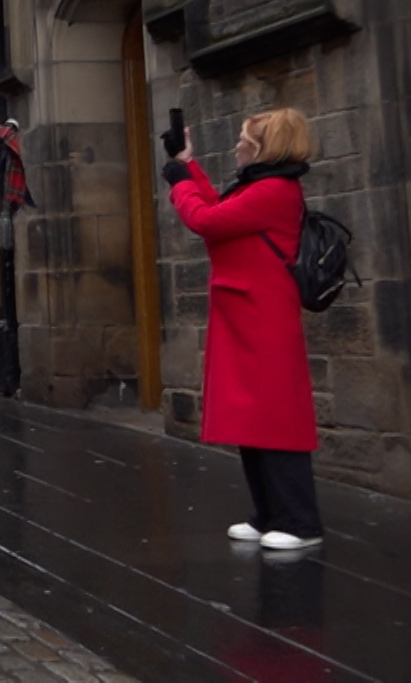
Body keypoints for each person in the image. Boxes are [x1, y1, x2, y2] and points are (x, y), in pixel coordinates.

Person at [163, 108, 321, 550]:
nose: (236, 146)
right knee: (254, 421)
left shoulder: (274, 189)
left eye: (244, 141)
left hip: (263, 315)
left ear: (264, 148)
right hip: (247, 312)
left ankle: (299, 522)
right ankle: (269, 513)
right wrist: (188, 165)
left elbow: (206, 221)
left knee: (276, 420)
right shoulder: (263, 185)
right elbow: (218, 209)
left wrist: (179, 181)